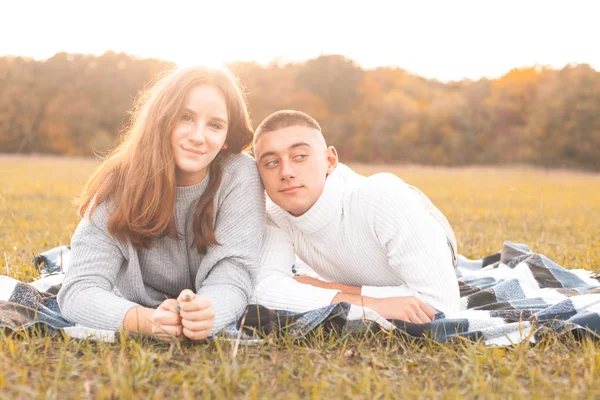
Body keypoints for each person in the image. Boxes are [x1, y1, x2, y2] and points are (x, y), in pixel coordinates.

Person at [57, 67, 265, 341]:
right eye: (186, 117)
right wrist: (148, 320)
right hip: (139, 307)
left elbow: (234, 273)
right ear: (162, 119)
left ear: (226, 138)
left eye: (215, 125)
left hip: (208, 299)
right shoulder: (118, 183)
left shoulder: (240, 174)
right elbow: (78, 290)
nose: (198, 136)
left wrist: (208, 313)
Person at [252, 110, 459, 324]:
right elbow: (263, 289)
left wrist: (324, 288)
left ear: (330, 160)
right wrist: (372, 305)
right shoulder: (273, 211)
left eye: (300, 156)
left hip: (428, 229)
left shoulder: (381, 197)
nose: (286, 172)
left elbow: (440, 306)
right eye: (271, 163)